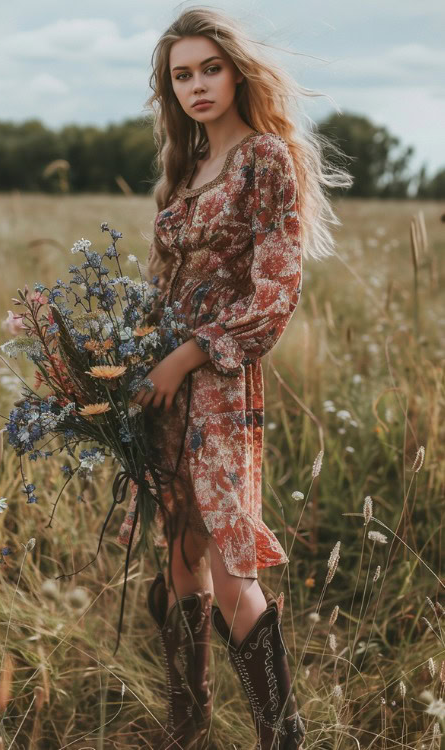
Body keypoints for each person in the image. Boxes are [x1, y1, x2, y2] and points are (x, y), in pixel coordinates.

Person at [115, 6, 352, 749]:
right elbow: (164, 282)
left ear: (236, 71)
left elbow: (274, 294)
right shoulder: (185, 170)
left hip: (216, 383)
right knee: (180, 555)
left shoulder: (266, 159)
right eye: (181, 75)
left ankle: (283, 739)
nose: (196, 85)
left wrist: (189, 353)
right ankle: (188, 731)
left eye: (208, 68)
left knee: (228, 563)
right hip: (163, 389)